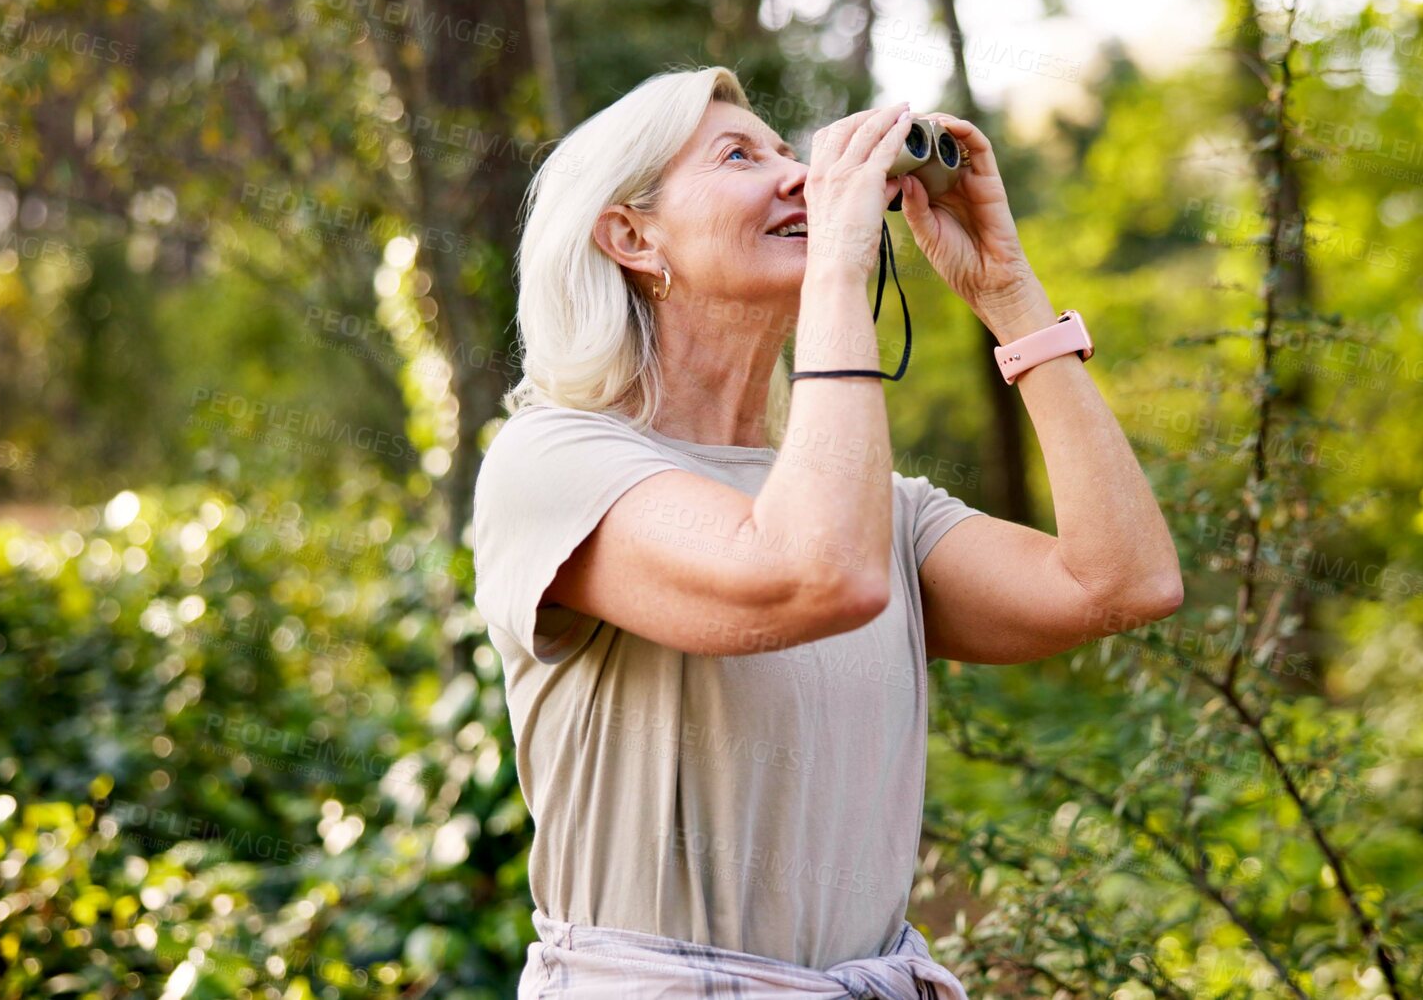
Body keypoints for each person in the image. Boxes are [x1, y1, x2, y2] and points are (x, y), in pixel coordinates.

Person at [472, 65, 1182, 999]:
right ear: (631, 235)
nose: (800, 177)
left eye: (788, 151)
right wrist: (842, 259)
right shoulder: (554, 461)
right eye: (740, 155)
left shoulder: (870, 504)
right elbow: (814, 574)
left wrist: (1010, 296)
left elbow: (1120, 582)